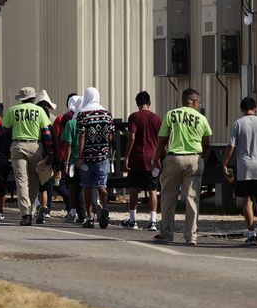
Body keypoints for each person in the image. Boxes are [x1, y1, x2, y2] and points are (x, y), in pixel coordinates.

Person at [152, 88, 212, 245]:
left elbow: (162, 141)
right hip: (194, 159)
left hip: (174, 158)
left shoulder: (171, 115)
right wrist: (200, 157)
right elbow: (206, 143)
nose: (199, 104)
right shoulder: (201, 118)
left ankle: (166, 233)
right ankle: (191, 236)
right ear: (194, 102)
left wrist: (155, 158)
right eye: (198, 102)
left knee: (168, 197)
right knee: (192, 199)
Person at [221, 97, 257, 245]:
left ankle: (252, 234)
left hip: (245, 167)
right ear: (256, 108)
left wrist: (225, 163)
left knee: (247, 200)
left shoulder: (238, 124)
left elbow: (231, 146)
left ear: (242, 109)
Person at [3, 87, 56, 226]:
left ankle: (25, 214)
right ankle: (31, 210)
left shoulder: (12, 110)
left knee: (21, 181)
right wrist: (50, 152)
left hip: (18, 145)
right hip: (35, 146)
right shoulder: (39, 111)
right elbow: (46, 132)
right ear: (33, 98)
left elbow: (4, 129)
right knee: (34, 182)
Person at [121, 91, 162, 231]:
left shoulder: (134, 117)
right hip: (153, 159)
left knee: (134, 188)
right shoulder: (157, 118)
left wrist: (126, 157)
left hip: (137, 157)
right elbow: (162, 140)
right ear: (149, 103)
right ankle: (153, 221)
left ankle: (133, 220)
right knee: (152, 189)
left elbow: (132, 137)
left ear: (137, 103)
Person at [76, 87, 115, 229]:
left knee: (87, 187)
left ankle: (90, 217)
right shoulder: (108, 115)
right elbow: (111, 136)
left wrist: (80, 156)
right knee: (101, 186)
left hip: (87, 157)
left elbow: (81, 135)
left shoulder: (83, 114)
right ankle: (104, 206)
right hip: (102, 156)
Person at [34, 89, 59, 223]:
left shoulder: (34, 116)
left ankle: (37, 206)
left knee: (34, 181)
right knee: (47, 183)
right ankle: (46, 208)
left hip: (36, 150)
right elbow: (54, 138)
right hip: (48, 153)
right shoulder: (53, 118)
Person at [61, 94, 85, 224]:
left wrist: (66, 161)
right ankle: (89, 212)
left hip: (73, 161)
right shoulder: (87, 122)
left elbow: (68, 144)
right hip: (87, 159)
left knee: (73, 186)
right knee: (86, 186)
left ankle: (75, 212)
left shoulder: (71, 123)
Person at [54, 92, 78, 219]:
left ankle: (71, 206)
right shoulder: (82, 117)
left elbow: (58, 137)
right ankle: (74, 208)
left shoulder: (62, 118)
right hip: (79, 156)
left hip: (64, 155)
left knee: (60, 183)